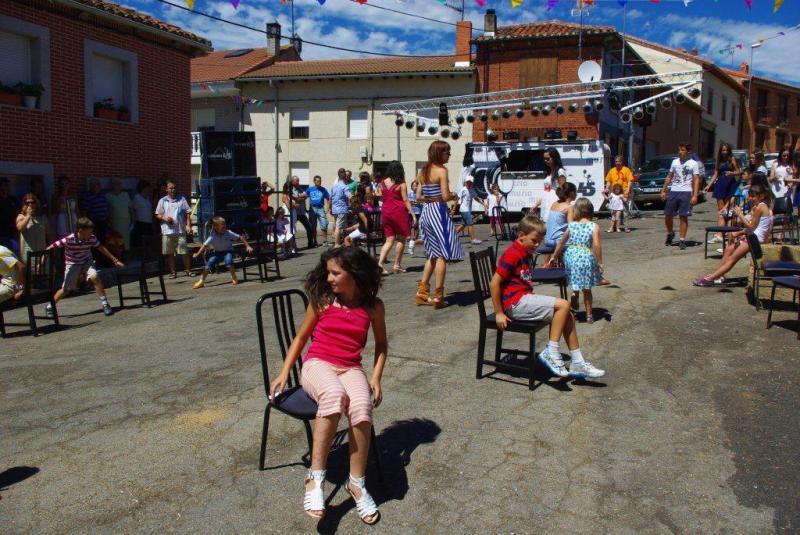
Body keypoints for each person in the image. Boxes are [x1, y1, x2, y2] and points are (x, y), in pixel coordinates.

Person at [268, 246, 386, 524]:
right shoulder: (322, 301)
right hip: (317, 364)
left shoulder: (373, 307)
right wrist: (284, 373)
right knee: (333, 395)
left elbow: (381, 344)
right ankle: (315, 477)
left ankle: (356, 483)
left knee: (362, 405)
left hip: (350, 367)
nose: (329, 278)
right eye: (328, 272)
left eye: (335, 273)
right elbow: (300, 338)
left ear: (354, 274)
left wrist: (376, 378)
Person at [491, 215, 604, 379]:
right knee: (564, 305)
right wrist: (499, 313)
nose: (537, 245)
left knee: (568, 315)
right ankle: (551, 351)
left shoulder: (525, 251)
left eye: (540, 241)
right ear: (521, 235)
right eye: (534, 240)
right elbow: (494, 283)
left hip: (524, 299)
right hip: (514, 304)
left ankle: (578, 363)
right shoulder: (512, 254)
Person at [693, 183, 773, 287]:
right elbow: (757, 227)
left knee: (732, 259)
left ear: (761, 196)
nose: (751, 199)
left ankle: (709, 279)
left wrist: (740, 215)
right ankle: (717, 275)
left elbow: (751, 227)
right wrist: (739, 233)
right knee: (729, 249)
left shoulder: (760, 208)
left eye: (753, 196)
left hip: (755, 239)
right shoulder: (760, 207)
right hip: (753, 236)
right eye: (750, 196)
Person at [415, 141, 464, 309]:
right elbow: (445, 196)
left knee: (432, 254)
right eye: (447, 152)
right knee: (442, 255)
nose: (449, 155)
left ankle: (422, 293)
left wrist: (431, 198)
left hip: (426, 212)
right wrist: (454, 195)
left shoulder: (423, 171)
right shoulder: (442, 170)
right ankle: (438, 296)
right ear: (439, 153)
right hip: (438, 212)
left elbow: (418, 197)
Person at [45, 217, 124, 318]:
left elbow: (101, 248)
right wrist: (43, 258)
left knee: (95, 277)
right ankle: (50, 306)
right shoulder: (69, 239)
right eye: (89, 232)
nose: (91, 234)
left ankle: (105, 304)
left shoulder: (91, 238)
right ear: (80, 230)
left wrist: (115, 260)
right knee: (66, 289)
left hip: (87, 261)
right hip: (73, 263)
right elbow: (52, 246)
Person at [548, 198, 604, 323]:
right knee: (587, 288)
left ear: (576, 211)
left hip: (571, 255)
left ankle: (575, 293)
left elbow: (561, 242)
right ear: (590, 211)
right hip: (585, 256)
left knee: (575, 278)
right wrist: (600, 262)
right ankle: (589, 315)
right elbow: (596, 245)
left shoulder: (572, 225)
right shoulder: (594, 226)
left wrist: (554, 256)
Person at [191, 216, 253, 289]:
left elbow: (240, 237)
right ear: (215, 227)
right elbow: (204, 245)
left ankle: (233, 276)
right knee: (208, 265)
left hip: (228, 251)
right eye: (222, 226)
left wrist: (247, 246)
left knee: (228, 261)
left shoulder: (228, 233)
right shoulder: (212, 236)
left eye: (225, 225)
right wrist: (197, 254)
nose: (224, 227)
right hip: (217, 252)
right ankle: (201, 281)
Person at [376, 161, 415, 274]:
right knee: (401, 238)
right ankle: (397, 265)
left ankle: (380, 264)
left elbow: (380, 194)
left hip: (386, 211)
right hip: (398, 211)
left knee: (389, 239)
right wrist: (412, 214)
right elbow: (405, 200)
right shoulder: (401, 183)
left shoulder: (382, 182)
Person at [660, 143, 701, 250]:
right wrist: (663, 190)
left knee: (683, 216)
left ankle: (682, 240)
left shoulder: (693, 163)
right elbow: (669, 176)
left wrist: (695, 195)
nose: (680, 152)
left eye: (682, 150)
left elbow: (696, 179)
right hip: (674, 190)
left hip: (686, 192)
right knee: (668, 214)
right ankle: (670, 233)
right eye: (679, 150)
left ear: (688, 152)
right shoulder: (674, 162)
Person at [704, 142, 741, 243]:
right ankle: (720, 233)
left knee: (727, 210)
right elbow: (715, 174)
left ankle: (724, 233)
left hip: (730, 184)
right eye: (723, 150)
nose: (724, 152)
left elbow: (739, 172)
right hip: (720, 184)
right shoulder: (719, 160)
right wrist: (709, 185)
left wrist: (731, 173)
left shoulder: (732, 159)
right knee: (721, 210)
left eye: (726, 150)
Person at [155, 181, 192, 279]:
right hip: (167, 230)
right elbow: (157, 214)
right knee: (169, 252)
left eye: (174, 188)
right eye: (171, 188)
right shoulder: (162, 200)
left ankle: (188, 270)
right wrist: (165, 218)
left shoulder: (181, 199)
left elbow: (188, 212)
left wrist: (188, 225)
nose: (173, 190)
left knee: (184, 251)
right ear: (166, 189)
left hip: (180, 229)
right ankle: (173, 272)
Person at [16, 194, 49, 263]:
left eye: (32, 202)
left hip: (42, 255)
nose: (30, 204)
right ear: (24, 205)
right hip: (28, 257)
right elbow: (20, 228)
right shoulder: (21, 217)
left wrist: (49, 249)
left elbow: (48, 235)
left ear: (36, 204)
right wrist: (28, 215)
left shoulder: (43, 218)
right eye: (27, 203)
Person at [604, 155, 634, 232]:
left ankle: (626, 227)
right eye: (616, 162)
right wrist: (607, 188)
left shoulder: (626, 170)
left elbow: (630, 180)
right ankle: (614, 227)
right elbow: (608, 181)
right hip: (614, 194)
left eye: (618, 162)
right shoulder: (612, 171)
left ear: (621, 162)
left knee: (624, 211)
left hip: (623, 193)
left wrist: (628, 189)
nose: (617, 163)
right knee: (613, 212)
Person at [283, 177, 313, 248]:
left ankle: (310, 243)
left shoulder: (300, 188)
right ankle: (292, 246)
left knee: (309, 227)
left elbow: (306, 195)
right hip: (294, 213)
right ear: (292, 181)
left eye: (298, 181)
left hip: (301, 213)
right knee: (292, 229)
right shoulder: (289, 190)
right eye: (297, 181)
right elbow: (295, 198)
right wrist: (299, 198)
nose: (298, 182)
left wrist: (299, 197)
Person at [454, 179, 487, 245]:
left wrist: (483, 204)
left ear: (472, 183)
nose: (469, 184)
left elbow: (476, 198)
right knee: (470, 224)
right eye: (468, 182)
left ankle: (450, 235)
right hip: (464, 210)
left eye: (470, 183)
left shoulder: (472, 190)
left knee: (463, 225)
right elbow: (457, 199)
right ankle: (473, 239)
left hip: (467, 210)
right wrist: (454, 208)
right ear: (466, 183)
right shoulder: (463, 190)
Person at [105, 178, 133, 253]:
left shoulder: (125, 194)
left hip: (126, 222)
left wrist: (133, 222)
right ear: (112, 186)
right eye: (116, 184)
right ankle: (117, 256)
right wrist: (108, 222)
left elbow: (131, 208)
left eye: (120, 184)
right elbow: (106, 210)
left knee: (126, 242)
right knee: (116, 241)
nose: (119, 186)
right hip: (114, 223)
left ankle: (126, 255)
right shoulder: (108, 196)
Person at [51, 175, 78, 239]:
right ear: (59, 185)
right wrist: (59, 202)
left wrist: (80, 222)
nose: (64, 186)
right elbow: (53, 212)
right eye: (62, 184)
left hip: (73, 220)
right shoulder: (55, 196)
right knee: (63, 240)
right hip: (62, 221)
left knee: (74, 239)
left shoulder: (73, 195)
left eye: (66, 183)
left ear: (69, 184)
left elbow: (77, 209)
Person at [306, 176, 331, 246]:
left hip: (320, 209)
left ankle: (325, 241)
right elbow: (304, 197)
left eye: (320, 181)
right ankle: (315, 241)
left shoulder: (323, 189)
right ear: (314, 181)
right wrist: (305, 208)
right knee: (313, 226)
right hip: (312, 209)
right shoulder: (310, 189)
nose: (319, 182)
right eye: (317, 181)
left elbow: (328, 198)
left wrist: (328, 208)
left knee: (324, 224)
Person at [131, 180, 154, 250]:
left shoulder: (147, 198)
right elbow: (133, 210)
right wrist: (133, 222)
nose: (149, 189)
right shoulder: (137, 198)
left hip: (149, 223)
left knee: (148, 241)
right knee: (141, 242)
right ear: (143, 188)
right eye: (148, 188)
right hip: (141, 223)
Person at [330, 169, 350, 246]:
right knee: (338, 227)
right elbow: (350, 197)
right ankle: (337, 244)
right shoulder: (344, 187)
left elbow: (330, 198)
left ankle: (340, 242)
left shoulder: (334, 186)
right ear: (345, 177)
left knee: (338, 226)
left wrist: (330, 208)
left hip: (335, 209)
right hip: (342, 209)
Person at [0, 177, 20, 252]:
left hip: (12, 235)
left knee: (13, 255)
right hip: (1, 234)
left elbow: (18, 213)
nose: (8, 187)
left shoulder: (13, 199)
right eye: (5, 185)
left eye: (9, 185)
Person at [406, 179, 423, 256]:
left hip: (419, 212)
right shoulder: (410, 194)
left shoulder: (420, 194)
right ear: (411, 187)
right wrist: (415, 202)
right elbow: (409, 202)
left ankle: (412, 243)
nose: (415, 187)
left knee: (417, 229)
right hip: (412, 213)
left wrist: (417, 201)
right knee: (413, 226)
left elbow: (422, 201)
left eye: (416, 186)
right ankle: (411, 242)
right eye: (414, 186)